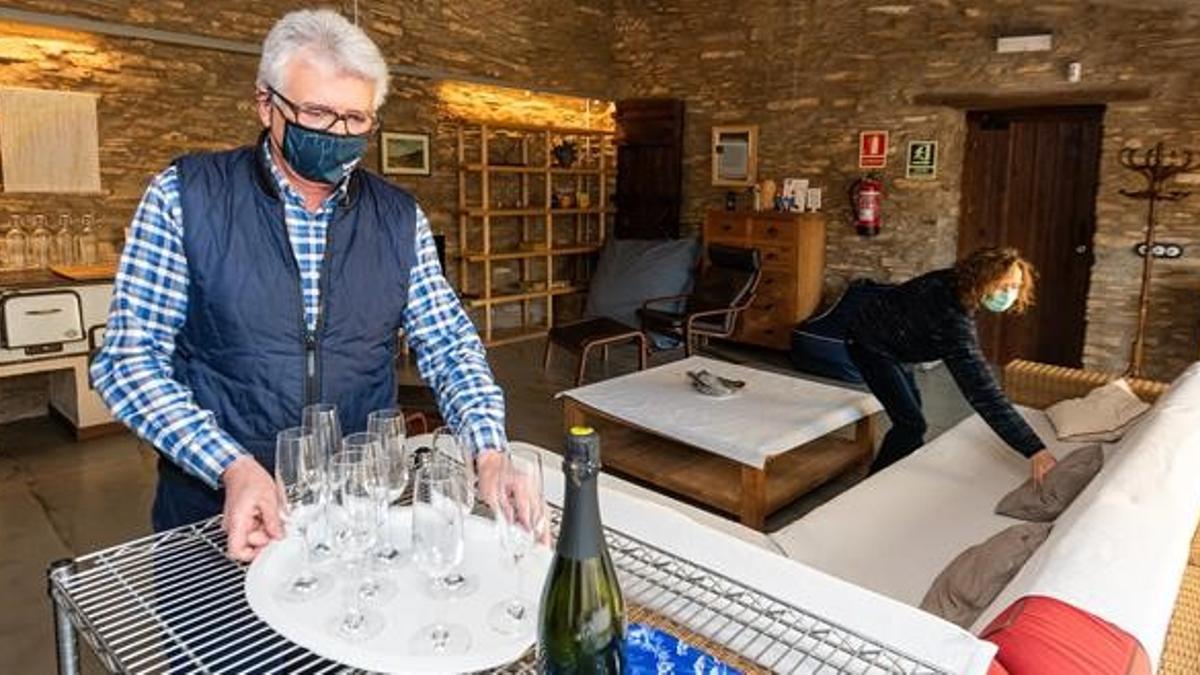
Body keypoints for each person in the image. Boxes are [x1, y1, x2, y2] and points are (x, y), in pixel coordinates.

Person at [91, 9, 510, 562]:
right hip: (217, 513)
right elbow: (127, 361)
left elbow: (450, 347)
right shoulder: (185, 197)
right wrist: (232, 466)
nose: (337, 134)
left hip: (357, 512)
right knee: (220, 650)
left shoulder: (397, 217)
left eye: (355, 119)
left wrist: (490, 450)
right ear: (266, 104)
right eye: (316, 111)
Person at [845, 247, 1058, 484]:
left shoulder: (958, 282)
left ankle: (896, 472)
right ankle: (874, 485)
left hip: (895, 343)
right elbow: (984, 394)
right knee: (911, 425)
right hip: (868, 343)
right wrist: (1034, 449)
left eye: (1015, 287)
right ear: (982, 278)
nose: (1010, 294)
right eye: (1003, 286)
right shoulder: (950, 316)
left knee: (912, 418)